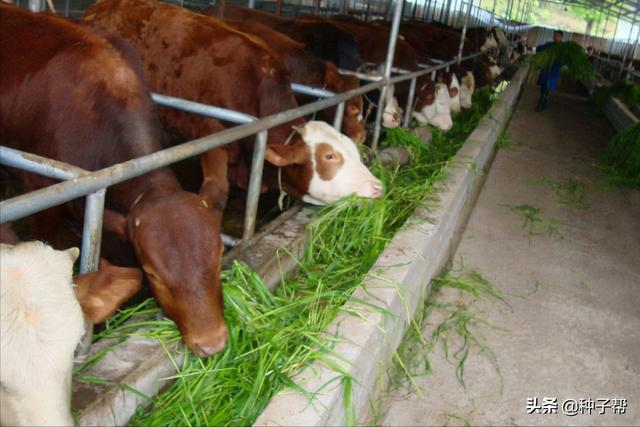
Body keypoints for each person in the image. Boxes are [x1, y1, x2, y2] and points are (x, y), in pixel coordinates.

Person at [535, 30, 564, 112]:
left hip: (554, 70)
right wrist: (546, 50)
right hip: (546, 69)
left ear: (561, 37)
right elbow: (538, 48)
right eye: (554, 35)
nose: (555, 37)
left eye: (557, 36)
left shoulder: (563, 48)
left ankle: (542, 103)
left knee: (548, 87)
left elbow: (564, 60)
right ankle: (543, 101)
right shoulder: (549, 44)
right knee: (543, 86)